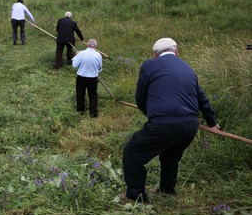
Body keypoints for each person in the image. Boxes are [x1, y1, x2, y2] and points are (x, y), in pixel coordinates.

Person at [121, 37, 220, 203]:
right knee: (170, 156)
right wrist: (212, 122)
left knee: (132, 153)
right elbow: (201, 98)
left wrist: (150, 114)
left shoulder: (149, 65)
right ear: (176, 52)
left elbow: (140, 96)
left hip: (164, 123)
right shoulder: (188, 68)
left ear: (155, 54)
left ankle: (135, 195)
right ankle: (167, 190)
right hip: (190, 125)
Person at [72, 39, 102, 118]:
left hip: (81, 78)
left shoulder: (81, 53)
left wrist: (75, 56)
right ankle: (93, 113)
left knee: (80, 94)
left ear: (87, 45)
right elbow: (100, 67)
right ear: (95, 46)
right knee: (93, 95)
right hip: (93, 78)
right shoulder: (98, 55)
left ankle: (80, 111)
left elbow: (74, 65)